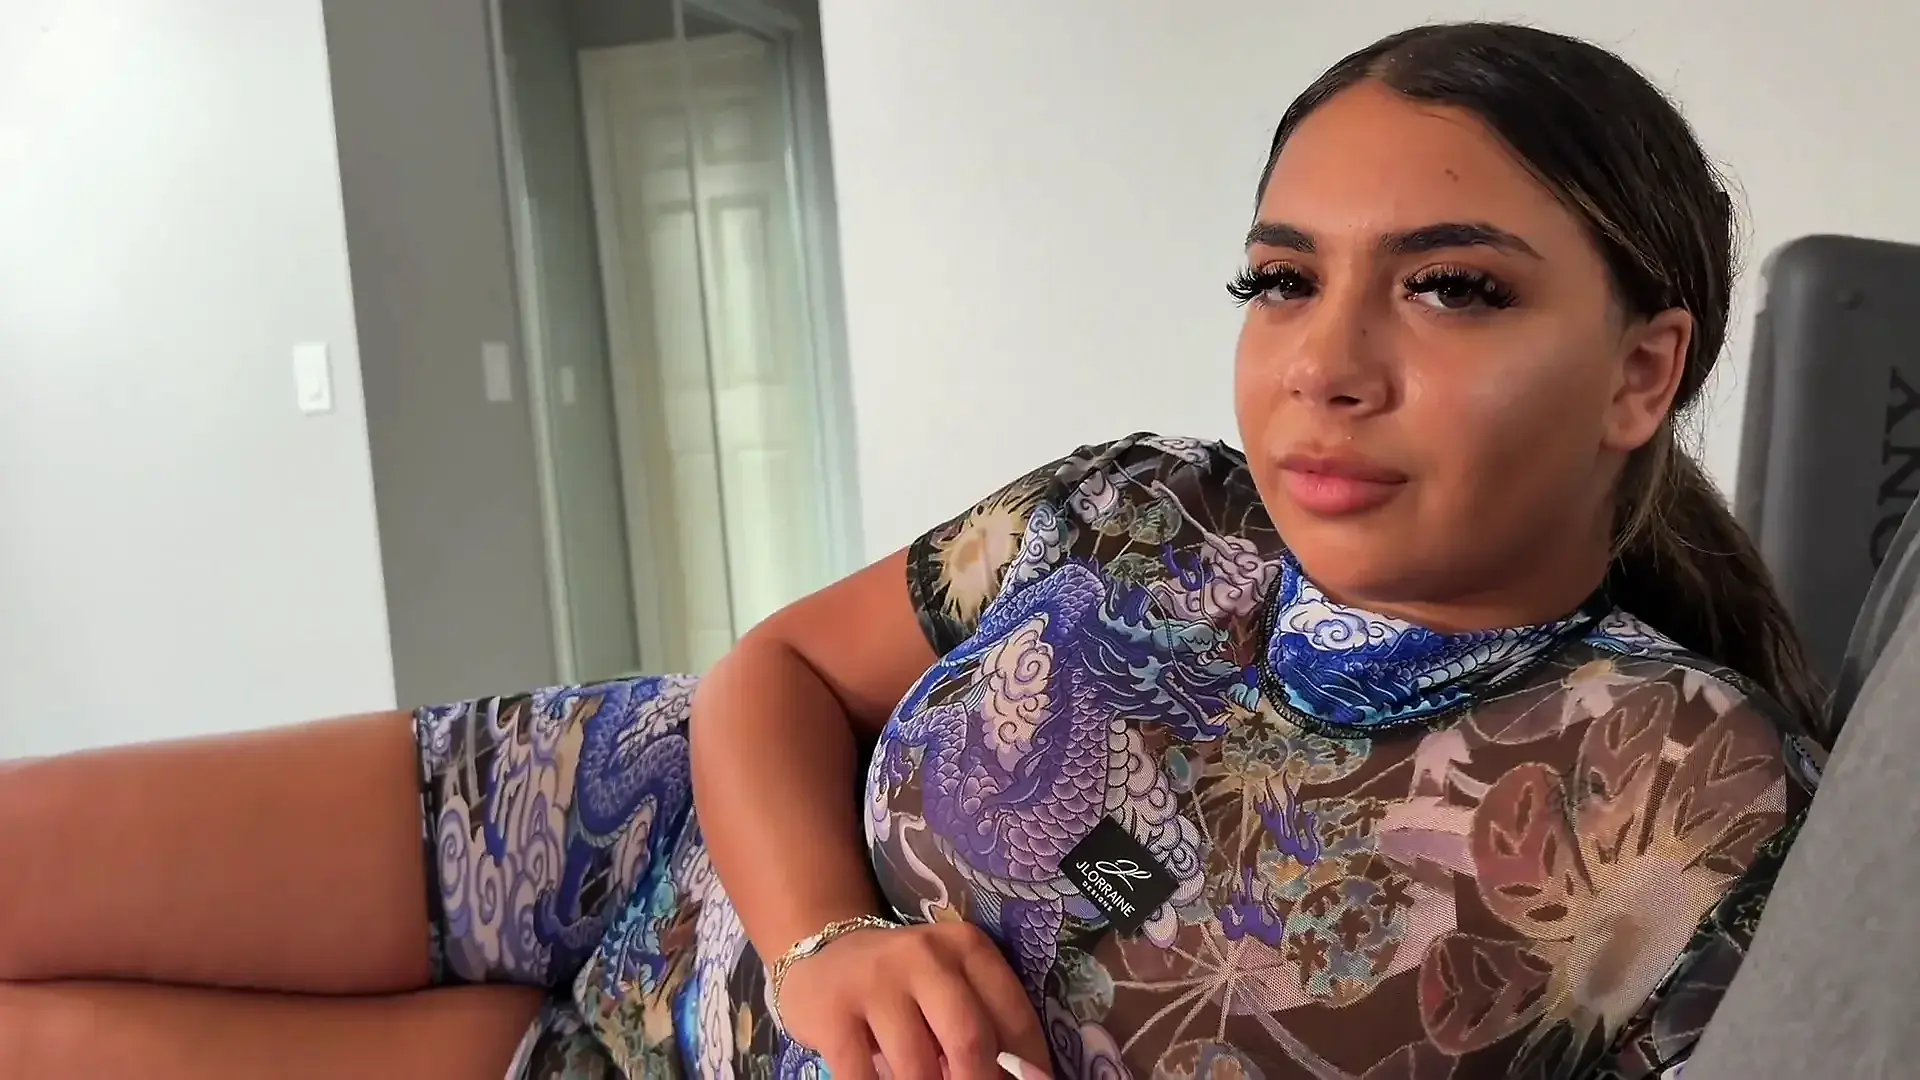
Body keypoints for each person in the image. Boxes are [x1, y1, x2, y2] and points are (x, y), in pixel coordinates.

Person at [0, 20, 1829, 1080]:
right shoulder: (1148, 502)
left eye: (1452, 288)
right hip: (606, 828)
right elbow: (777, 671)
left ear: (1643, 369)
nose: (1324, 365)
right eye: (1282, 279)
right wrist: (827, 942)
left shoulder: (1693, 797)